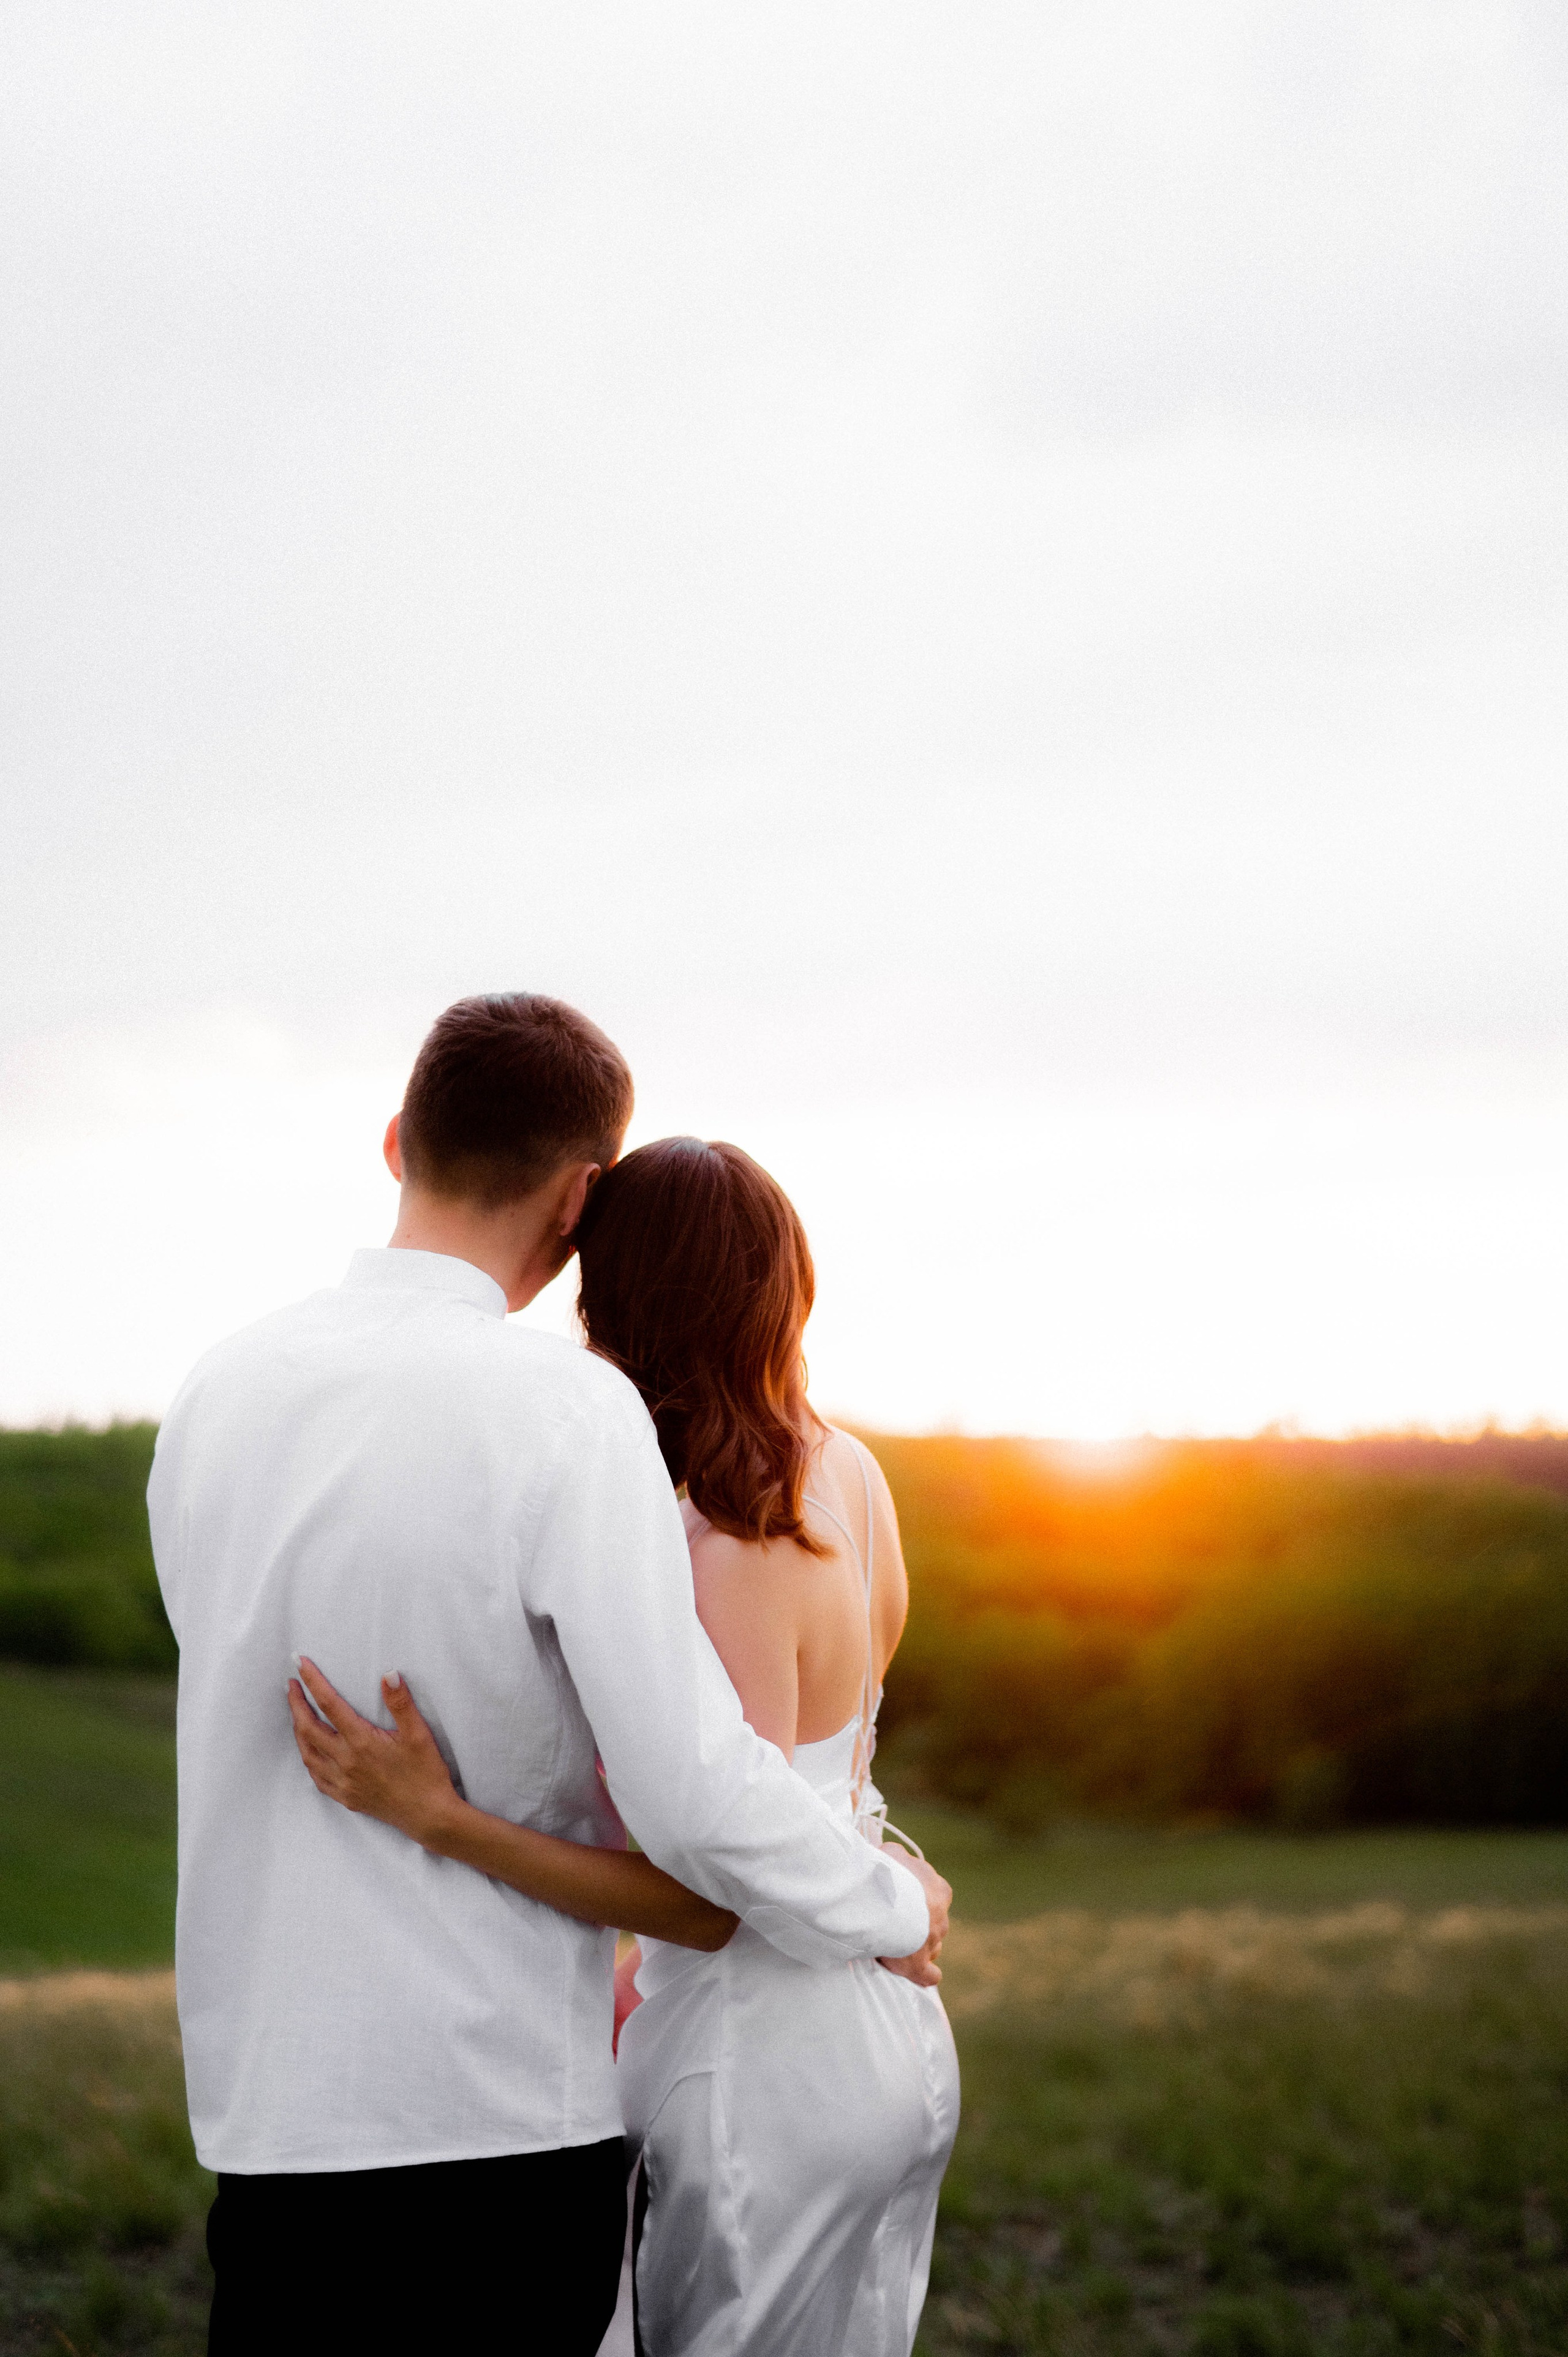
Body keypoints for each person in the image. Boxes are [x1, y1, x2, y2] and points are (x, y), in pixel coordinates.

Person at [147, 995, 949, 2357]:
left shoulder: (213, 1393)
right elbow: (698, 1796)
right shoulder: (565, 1416)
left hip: (270, 2111)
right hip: (494, 2114)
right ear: (579, 1199)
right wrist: (884, 1893)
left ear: (398, 1137)